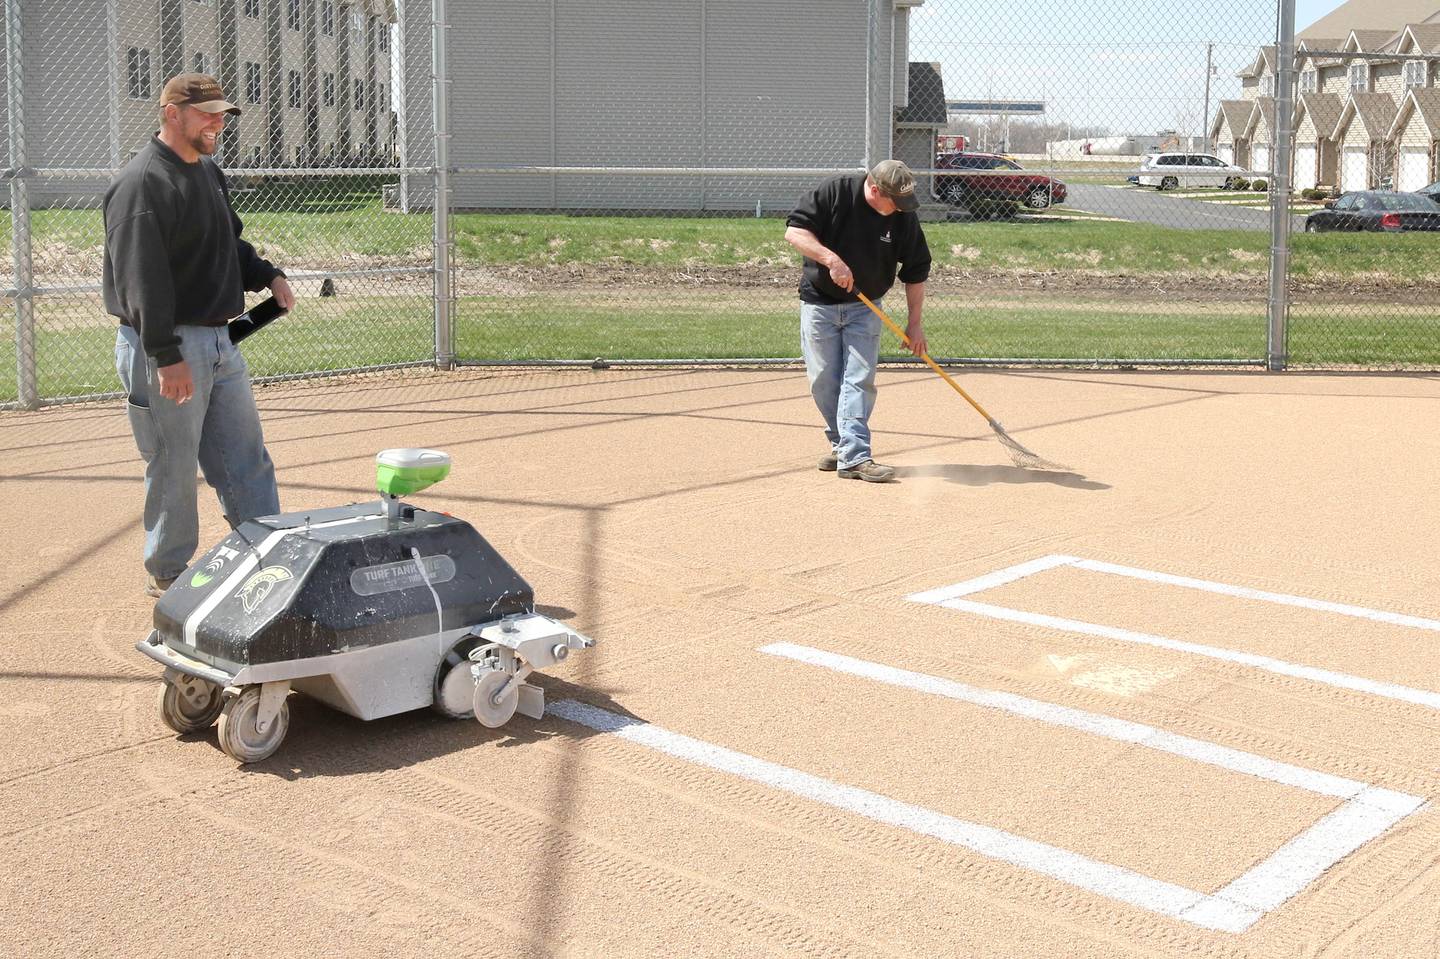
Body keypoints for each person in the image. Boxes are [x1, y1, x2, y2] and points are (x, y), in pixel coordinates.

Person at [104, 73, 295, 597]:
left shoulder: (208, 171)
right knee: (173, 462)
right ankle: (169, 575)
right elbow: (140, 276)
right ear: (171, 113)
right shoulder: (143, 183)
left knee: (244, 455)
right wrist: (166, 355)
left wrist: (266, 275)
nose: (217, 123)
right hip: (167, 345)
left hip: (218, 342)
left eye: (221, 114)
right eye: (206, 113)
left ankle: (268, 557)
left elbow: (226, 242)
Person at [783, 159, 932, 484]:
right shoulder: (834, 192)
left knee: (858, 377)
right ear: (875, 189)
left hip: (866, 308)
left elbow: (916, 270)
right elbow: (794, 232)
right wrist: (831, 259)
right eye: (894, 201)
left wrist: (915, 323)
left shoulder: (903, 215)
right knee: (823, 380)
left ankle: (855, 455)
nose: (900, 209)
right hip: (819, 303)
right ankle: (843, 446)